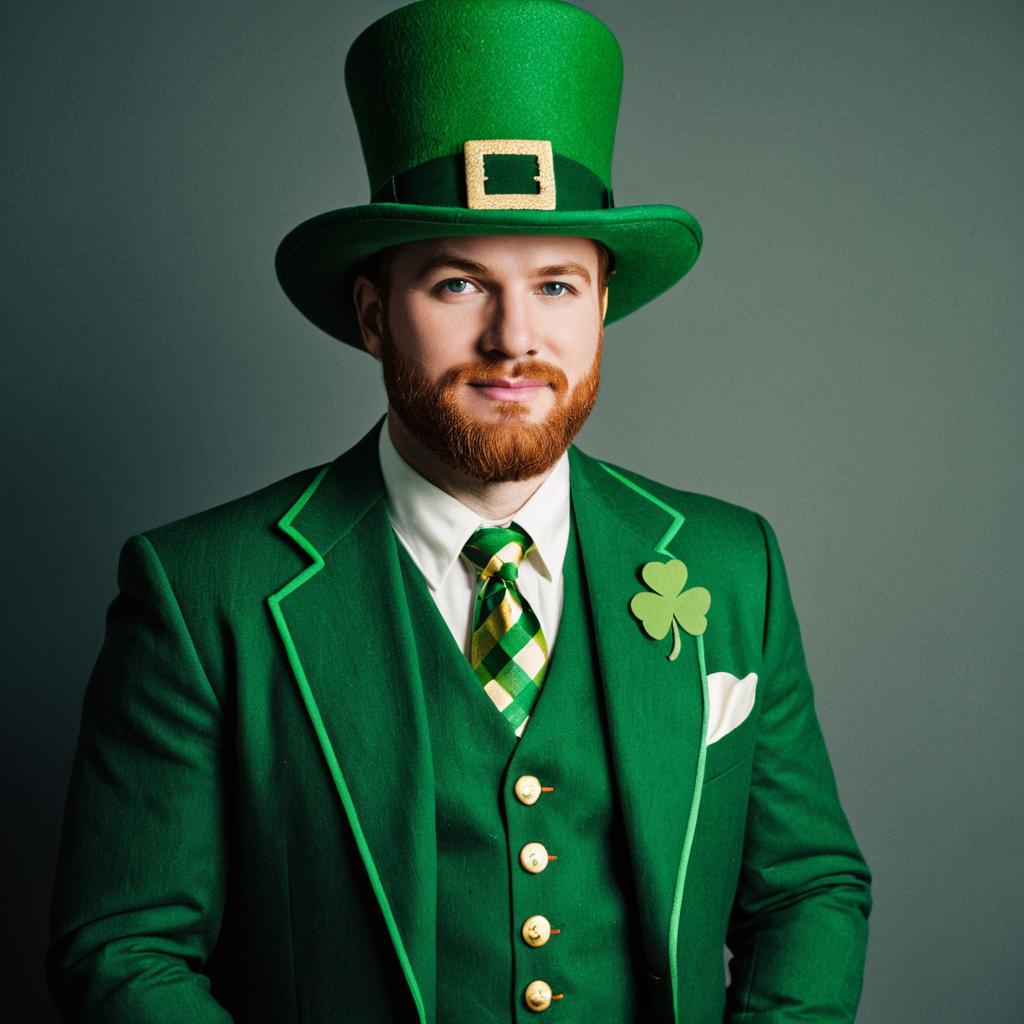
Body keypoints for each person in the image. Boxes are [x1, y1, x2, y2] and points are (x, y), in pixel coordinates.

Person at [47, 1, 871, 1021]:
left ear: (602, 305)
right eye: (456, 285)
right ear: (372, 314)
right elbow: (124, 947)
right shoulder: (202, 590)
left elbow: (807, 889)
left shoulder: (731, 562)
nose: (513, 338)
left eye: (556, 285)